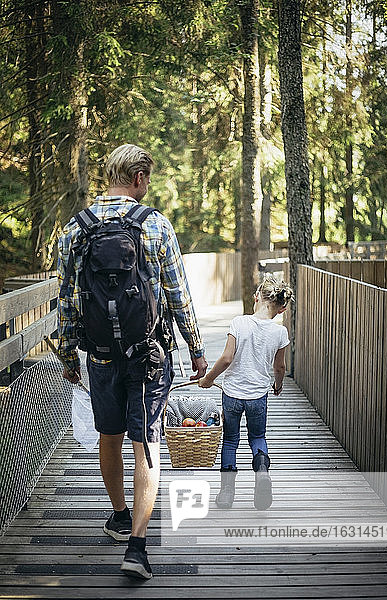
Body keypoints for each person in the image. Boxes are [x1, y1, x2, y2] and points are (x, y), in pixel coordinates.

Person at [57, 143, 207, 580]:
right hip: (150, 354)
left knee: (109, 434)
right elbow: (178, 293)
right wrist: (196, 348)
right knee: (146, 441)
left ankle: (120, 515)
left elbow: (65, 301)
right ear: (139, 178)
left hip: (100, 354)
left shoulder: (75, 228)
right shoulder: (155, 225)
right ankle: (137, 548)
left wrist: (68, 354)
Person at [198, 274, 293, 510]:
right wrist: (278, 384)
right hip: (258, 396)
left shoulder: (239, 323)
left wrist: (208, 379)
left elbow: (227, 358)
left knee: (230, 441)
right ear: (281, 309)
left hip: (231, 394)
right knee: (258, 438)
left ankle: (227, 493)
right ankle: (262, 473)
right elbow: (279, 367)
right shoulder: (280, 332)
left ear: (257, 297)